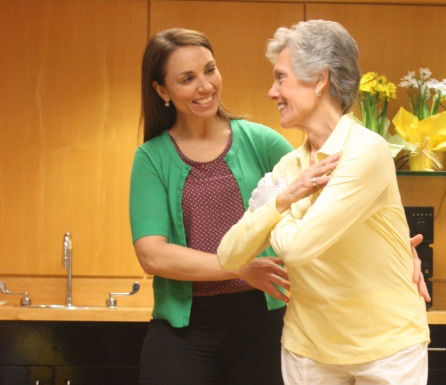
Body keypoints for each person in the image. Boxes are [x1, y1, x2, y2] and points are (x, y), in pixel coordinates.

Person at [218, 20, 430, 385]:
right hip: (308, 351)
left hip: (387, 350)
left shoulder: (366, 151)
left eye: (280, 78)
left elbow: (300, 249)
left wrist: (278, 206)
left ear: (319, 79)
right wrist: (280, 201)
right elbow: (229, 256)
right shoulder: (289, 166)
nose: (272, 92)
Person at [129, 28, 301, 385]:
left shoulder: (263, 142)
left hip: (266, 325)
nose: (205, 86)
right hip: (183, 333)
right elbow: (153, 255)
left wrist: (394, 248)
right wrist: (239, 268)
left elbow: (325, 198)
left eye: (210, 70)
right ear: (162, 90)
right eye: (187, 78)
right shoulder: (151, 158)